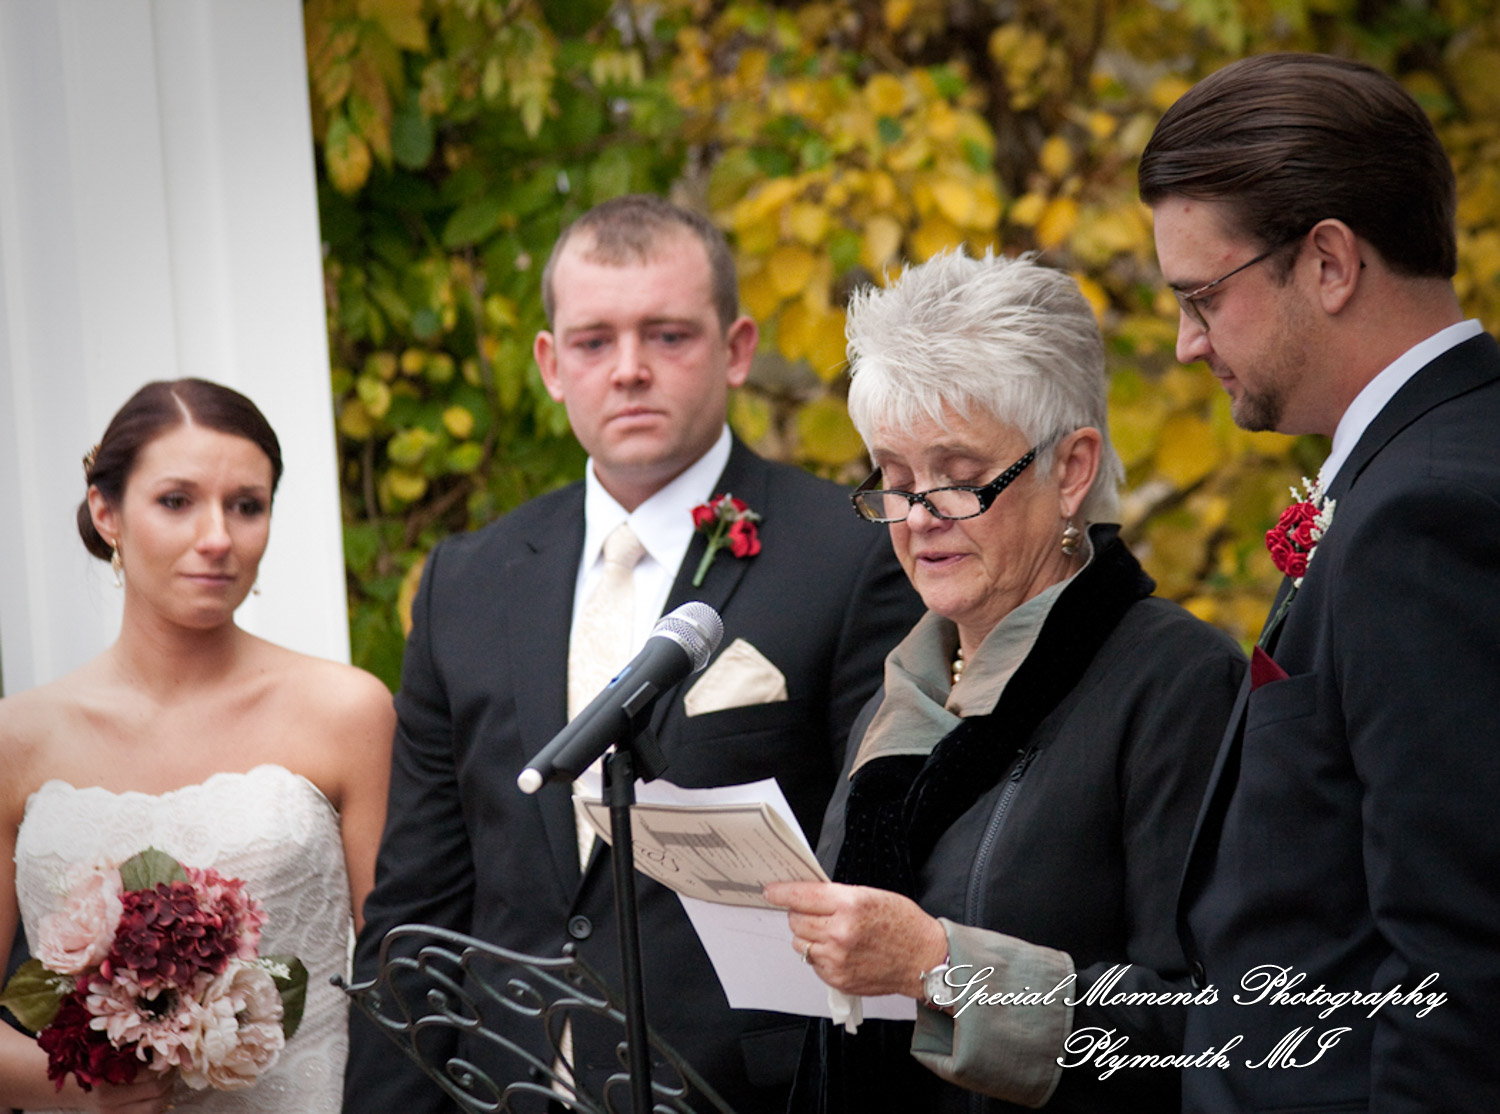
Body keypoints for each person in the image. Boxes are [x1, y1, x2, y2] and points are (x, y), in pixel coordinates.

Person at [342, 195, 923, 1114]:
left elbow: (889, 864)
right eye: (593, 342)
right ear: (549, 363)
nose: (630, 371)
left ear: (735, 348)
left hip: (745, 1092)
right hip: (508, 1086)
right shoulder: (468, 579)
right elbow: (420, 901)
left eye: (668, 336)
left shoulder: (847, 556)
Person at [764, 249, 1246, 1113]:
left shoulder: (1178, 684)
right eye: (898, 481)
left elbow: (1205, 1031)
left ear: (1071, 470)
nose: (917, 521)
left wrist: (939, 970)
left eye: (957, 479)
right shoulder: (898, 696)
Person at [1138, 52, 1500, 1112]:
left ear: (1331, 262)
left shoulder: (1425, 517)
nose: (1184, 342)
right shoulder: (1426, 463)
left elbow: (1462, 964)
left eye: (1202, 296)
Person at [0, 379, 395, 1114]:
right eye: (177, 501)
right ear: (106, 511)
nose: (218, 537)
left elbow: (402, 987)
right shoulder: (17, 738)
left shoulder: (348, 712)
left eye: (247, 505)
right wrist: (83, 1092)